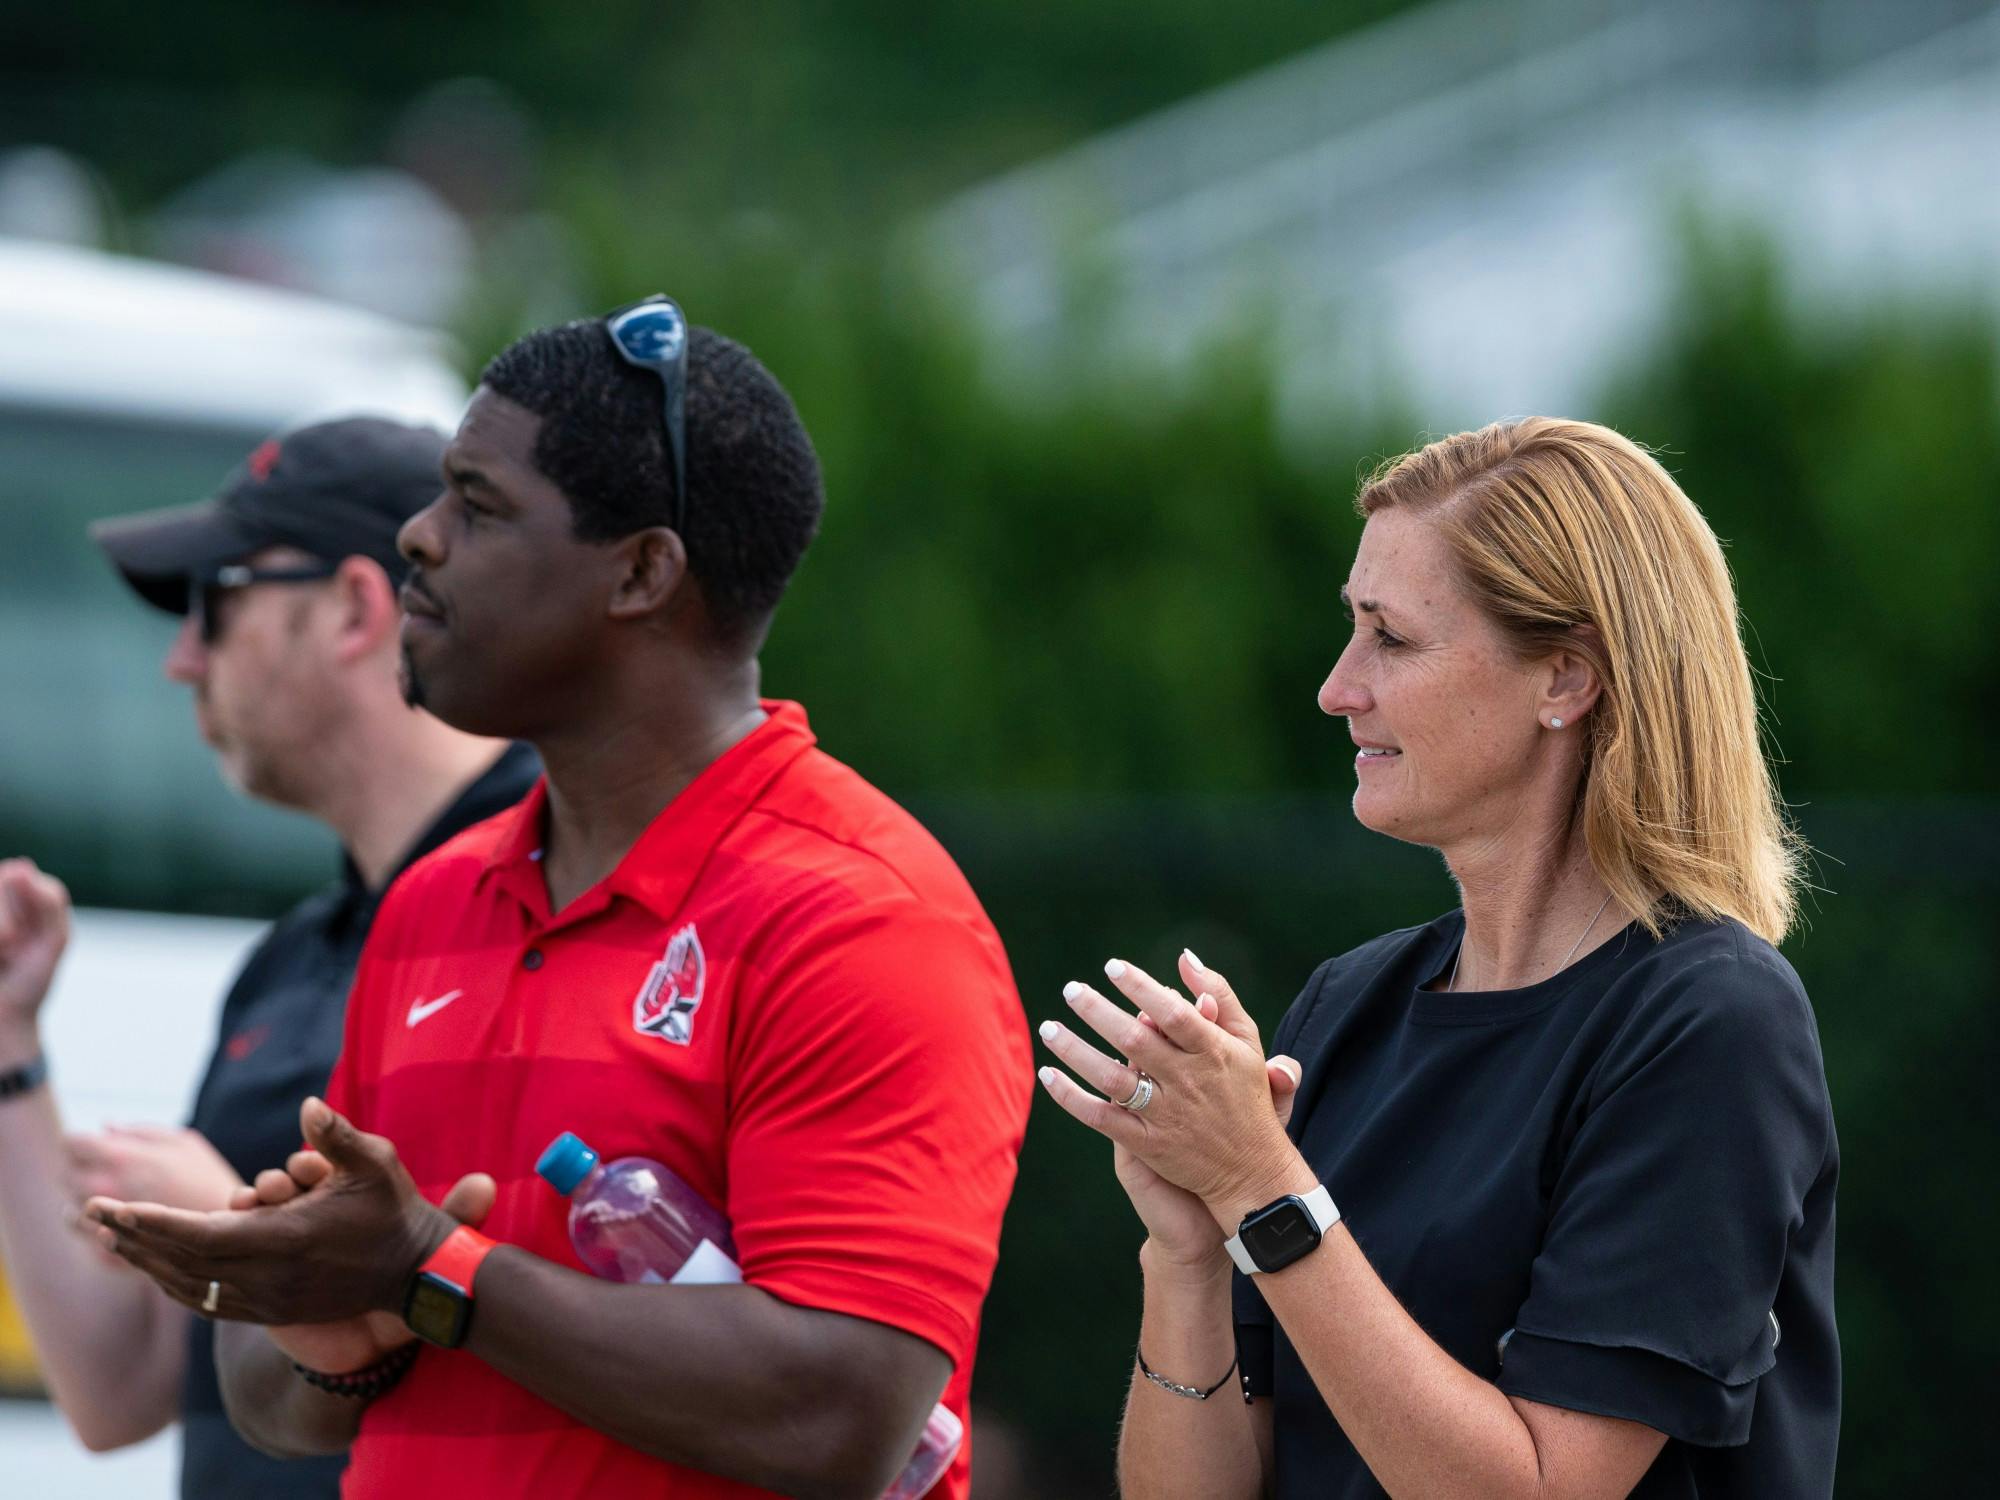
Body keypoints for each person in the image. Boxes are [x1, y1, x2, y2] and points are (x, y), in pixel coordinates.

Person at [83, 300, 1033, 1500]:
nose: (417, 538)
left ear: (640, 572)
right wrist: (326, 1320)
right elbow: (274, 1409)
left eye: (477, 506)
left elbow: (837, 1417)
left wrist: (431, 1273)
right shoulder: (432, 903)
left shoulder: (858, 919)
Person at [1034, 418, 1838, 1499]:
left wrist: (1260, 1187)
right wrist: (1185, 1249)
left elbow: (1543, 1488)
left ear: (1563, 680)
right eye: (1349, 630)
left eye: (1390, 639)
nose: (1336, 687)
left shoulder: (1709, 1022)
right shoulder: (1348, 1004)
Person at [0, 416, 538, 1500]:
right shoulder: (290, 959)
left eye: (215, 600)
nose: (181, 657)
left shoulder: (552, 909)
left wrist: (241, 1232)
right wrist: (10, 1042)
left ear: (352, 605)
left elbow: (551, 1340)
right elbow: (117, 1391)